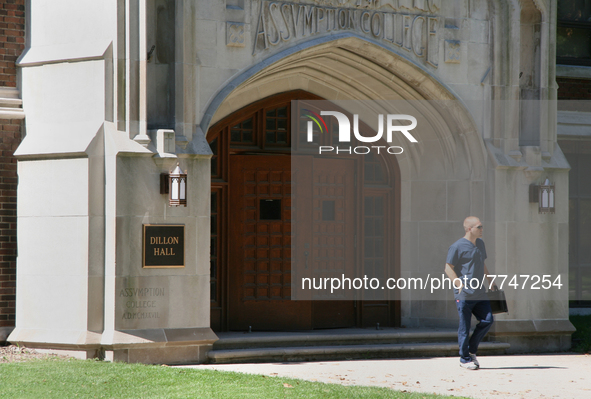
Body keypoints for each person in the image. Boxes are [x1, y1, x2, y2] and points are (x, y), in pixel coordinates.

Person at [445, 216, 497, 370]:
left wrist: (490, 280)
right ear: (469, 229)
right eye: (479, 227)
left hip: (480, 292)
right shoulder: (456, 247)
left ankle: (471, 350)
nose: (482, 230)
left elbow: (482, 263)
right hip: (465, 294)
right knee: (464, 326)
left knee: (488, 320)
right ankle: (464, 358)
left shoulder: (480, 244)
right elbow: (448, 268)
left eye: (482, 227)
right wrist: (458, 284)